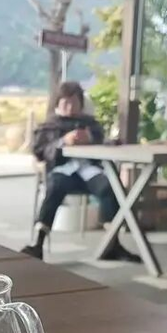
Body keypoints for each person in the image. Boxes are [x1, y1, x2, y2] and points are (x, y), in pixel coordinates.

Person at [22, 81, 139, 262]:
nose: (70, 107)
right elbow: (39, 150)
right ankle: (38, 243)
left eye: (74, 103)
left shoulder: (90, 124)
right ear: (58, 104)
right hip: (62, 170)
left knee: (109, 187)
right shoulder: (49, 125)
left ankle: (113, 244)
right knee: (54, 187)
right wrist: (63, 141)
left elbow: (102, 141)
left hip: (89, 170)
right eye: (65, 103)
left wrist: (89, 138)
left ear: (81, 104)